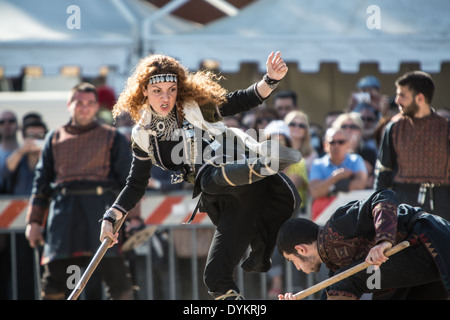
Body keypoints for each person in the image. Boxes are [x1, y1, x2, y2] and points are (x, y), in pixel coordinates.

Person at [99, 51, 302, 300]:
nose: (165, 97)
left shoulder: (194, 106)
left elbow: (239, 100)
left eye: (171, 89)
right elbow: (135, 184)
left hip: (231, 161)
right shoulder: (142, 136)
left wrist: (270, 80)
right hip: (232, 201)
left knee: (208, 176)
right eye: (157, 91)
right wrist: (111, 216)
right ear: (143, 91)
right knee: (216, 278)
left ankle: (260, 165)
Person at [25, 82, 135, 300]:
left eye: (90, 103)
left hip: (101, 213)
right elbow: (41, 184)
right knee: (56, 283)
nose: (84, 108)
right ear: (69, 105)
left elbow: (130, 183)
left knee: (117, 281)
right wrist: (34, 222)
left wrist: (133, 220)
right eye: (79, 103)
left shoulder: (112, 137)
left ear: (96, 107)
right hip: (64, 218)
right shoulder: (54, 138)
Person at [277, 188, 450, 300]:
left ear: (301, 249)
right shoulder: (336, 268)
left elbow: (384, 196)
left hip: (427, 239)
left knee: (343, 282)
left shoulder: (338, 223)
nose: (297, 268)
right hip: (420, 260)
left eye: (293, 260)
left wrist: (383, 241)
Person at [374, 71, 450, 221]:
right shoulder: (394, 128)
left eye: (402, 95)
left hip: (442, 204)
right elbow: (383, 173)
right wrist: (379, 211)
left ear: (420, 98)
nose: (397, 100)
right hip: (404, 204)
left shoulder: (446, 128)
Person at [0, 115, 48, 195]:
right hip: (15, 206)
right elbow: (3, 173)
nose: (35, 140)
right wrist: (21, 151)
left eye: (40, 136)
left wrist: (45, 155)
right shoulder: (16, 157)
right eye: (31, 136)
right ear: (24, 137)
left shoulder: (49, 160)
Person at [332, 112, 377, 189]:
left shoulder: (369, 152)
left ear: (361, 131)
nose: (348, 130)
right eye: (344, 127)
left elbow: (371, 179)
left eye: (353, 127)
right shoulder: (330, 151)